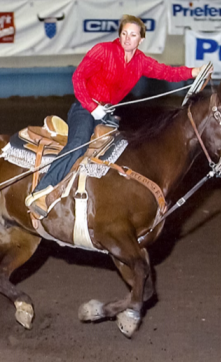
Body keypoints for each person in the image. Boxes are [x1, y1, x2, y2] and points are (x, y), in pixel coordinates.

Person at [26, 14, 211, 218]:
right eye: (124, 33)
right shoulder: (103, 51)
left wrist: (194, 71)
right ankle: (41, 191)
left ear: (141, 39)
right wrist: (90, 106)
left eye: (133, 35)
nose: (127, 38)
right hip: (85, 108)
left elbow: (166, 72)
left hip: (107, 114)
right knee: (78, 142)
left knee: (122, 151)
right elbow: (78, 77)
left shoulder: (141, 62)